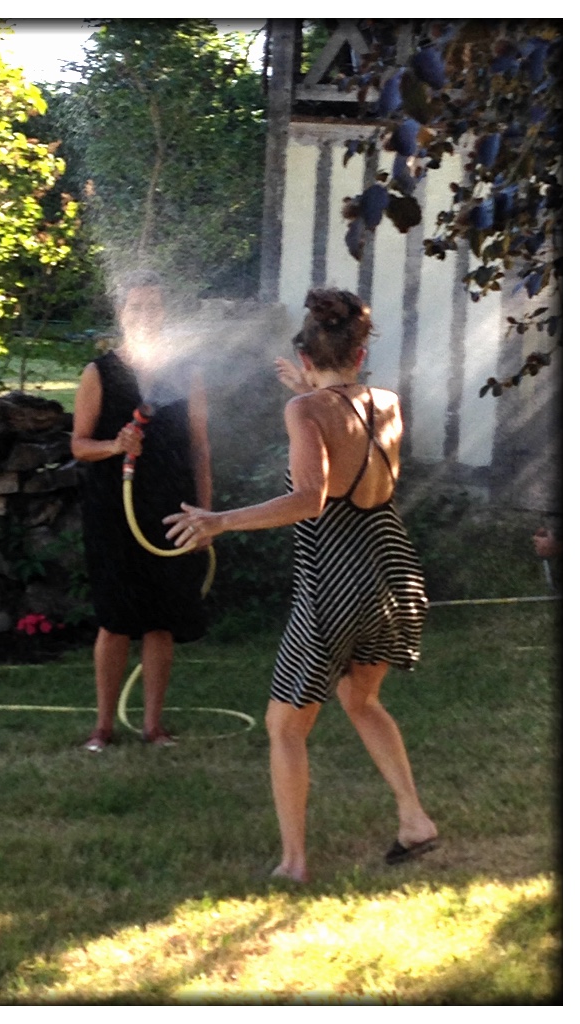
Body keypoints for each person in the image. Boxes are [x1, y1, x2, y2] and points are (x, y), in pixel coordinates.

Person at [164, 287, 437, 879]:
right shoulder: (387, 401)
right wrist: (311, 393)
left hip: (334, 583)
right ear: (360, 355)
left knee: (285, 725)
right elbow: (349, 431)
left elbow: (309, 499)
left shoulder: (305, 410)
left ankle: (293, 863)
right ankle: (414, 818)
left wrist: (220, 520)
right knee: (361, 700)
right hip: (392, 571)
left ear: (307, 358)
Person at [72, 269, 212, 749]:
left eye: (154, 306)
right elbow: (78, 445)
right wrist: (115, 445)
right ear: (122, 313)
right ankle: (103, 727)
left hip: (171, 509)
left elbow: (199, 450)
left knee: (160, 619)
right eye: (136, 307)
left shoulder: (185, 374)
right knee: (115, 621)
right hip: (115, 509)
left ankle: (154, 726)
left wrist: (207, 517)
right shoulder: (100, 373)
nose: (146, 315)